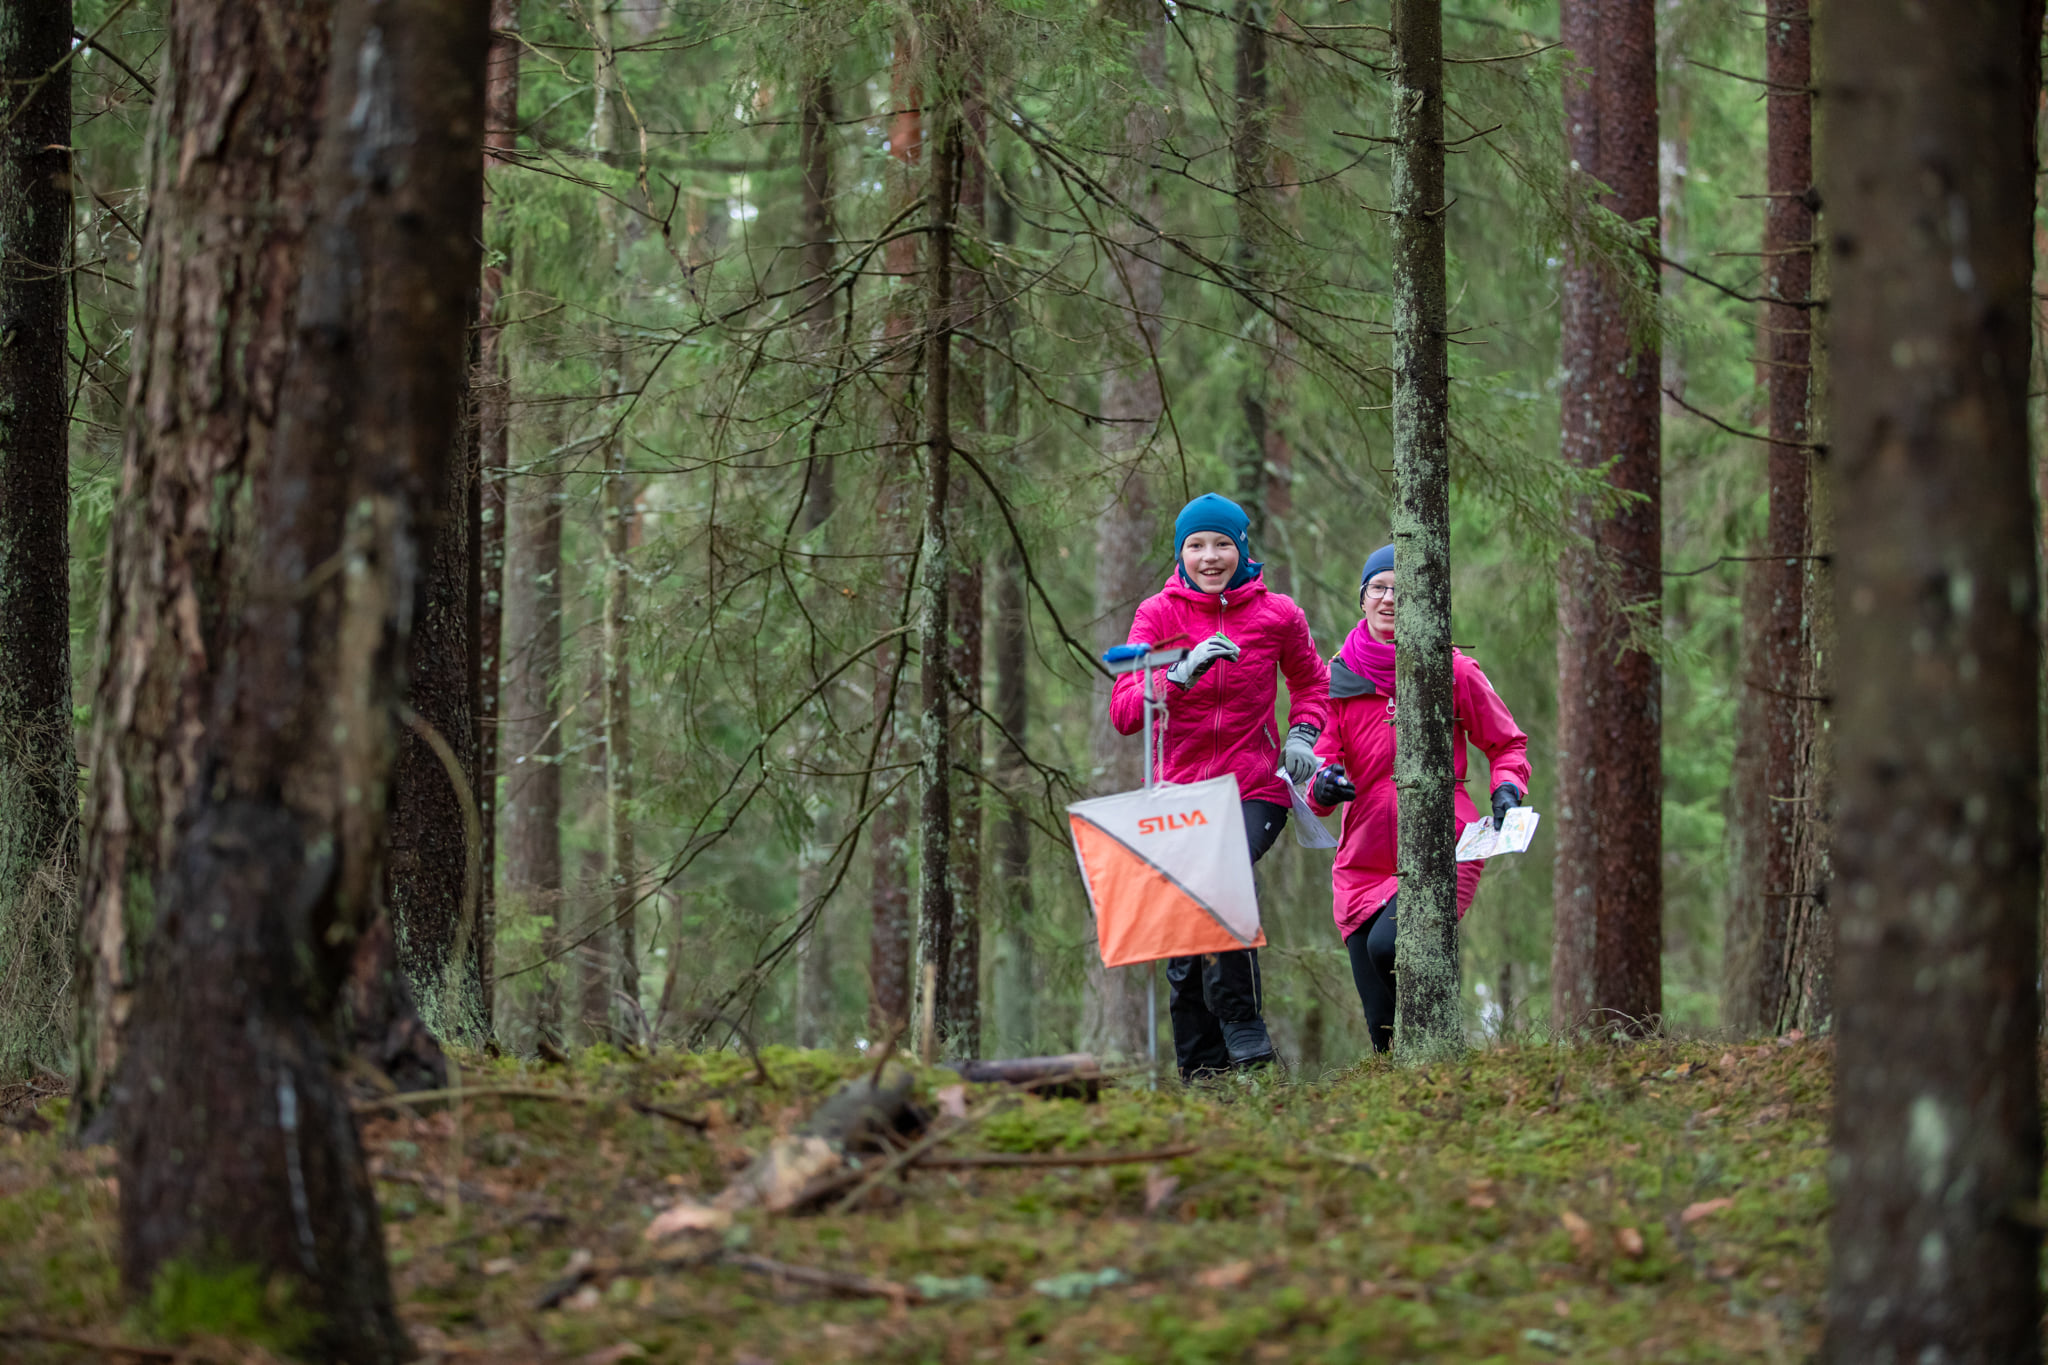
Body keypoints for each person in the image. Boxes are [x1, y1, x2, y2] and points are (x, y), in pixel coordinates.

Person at [1109, 493, 1330, 1080]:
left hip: (1252, 787)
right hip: (1177, 795)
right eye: (1197, 546)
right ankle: (1203, 1071)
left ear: (1242, 549)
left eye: (1222, 544)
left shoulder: (1278, 614)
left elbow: (1312, 683)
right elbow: (1125, 711)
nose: (1211, 557)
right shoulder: (1157, 615)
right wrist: (1178, 673)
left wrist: (1304, 737)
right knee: (1183, 937)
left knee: (1221, 865)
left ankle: (1246, 1036)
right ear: (1181, 553)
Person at [1305, 543, 1531, 1053]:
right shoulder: (1337, 679)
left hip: (1444, 845)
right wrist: (1320, 783)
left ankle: (1442, 1046)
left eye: (1402, 591)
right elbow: (1316, 771)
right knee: (1380, 1024)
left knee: (1392, 946)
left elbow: (1507, 742)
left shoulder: (1453, 672)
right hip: (1361, 862)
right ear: (1362, 598)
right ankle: (1417, 1097)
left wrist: (1508, 787)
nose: (1390, 599)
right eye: (1379, 588)